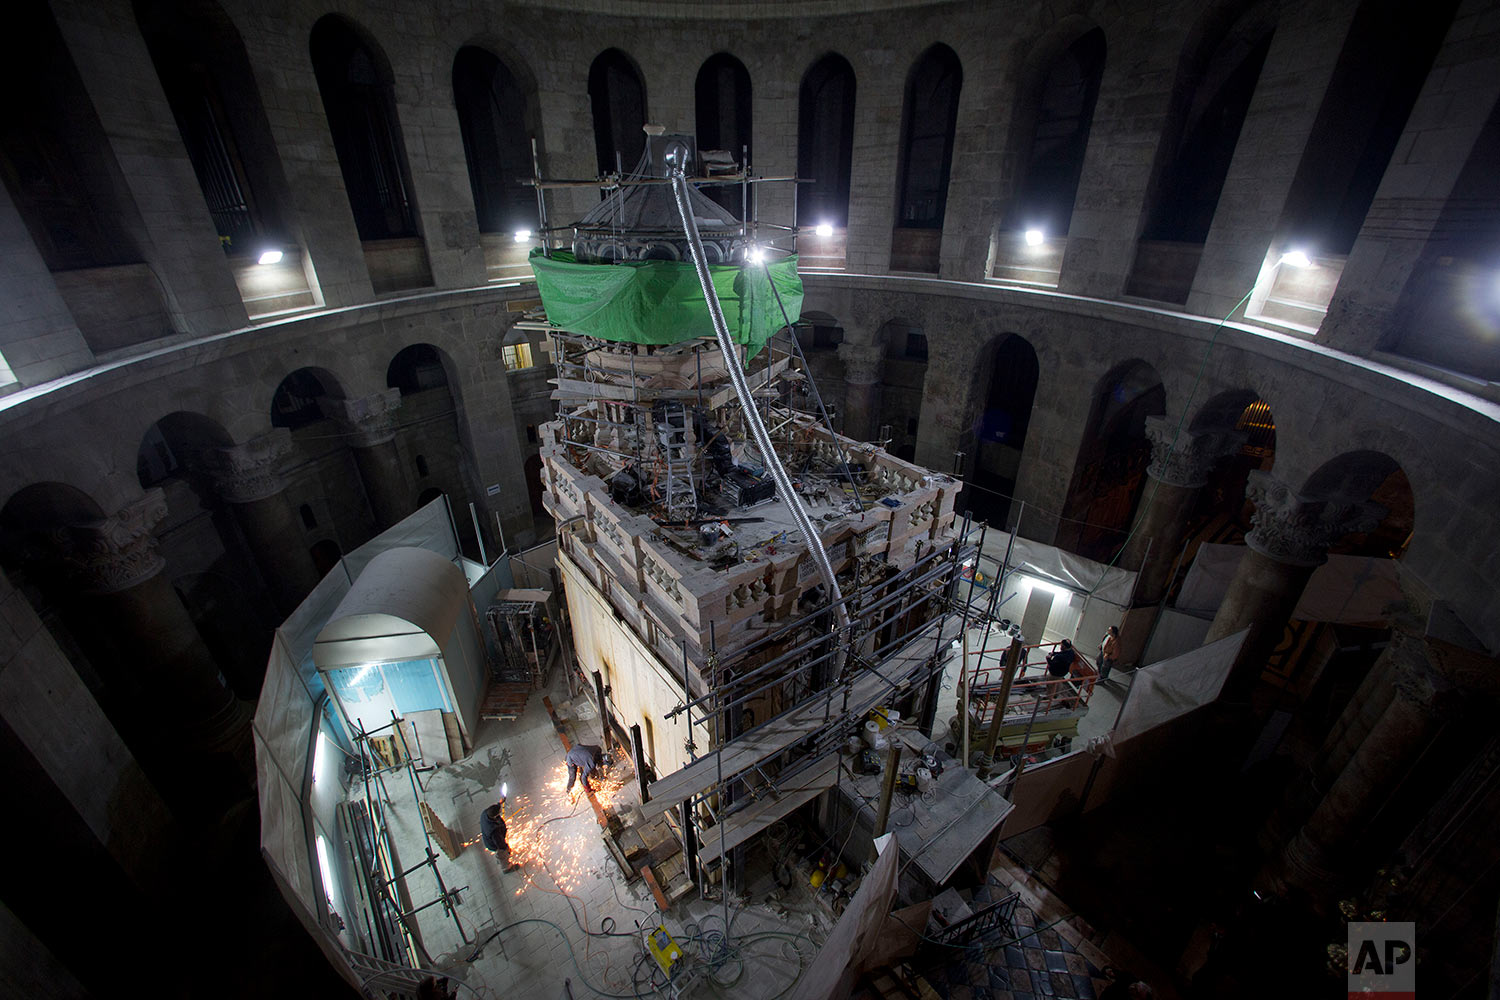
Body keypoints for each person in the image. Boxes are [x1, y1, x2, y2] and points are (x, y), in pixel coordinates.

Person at [480, 797, 521, 872]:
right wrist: (506, 848)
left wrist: (500, 803)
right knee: (502, 854)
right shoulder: (494, 831)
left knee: (502, 852)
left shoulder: (485, 813)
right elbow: (500, 844)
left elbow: (494, 810)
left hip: (489, 838)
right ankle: (506, 868)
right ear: (495, 816)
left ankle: (501, 859)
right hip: (494, 845)